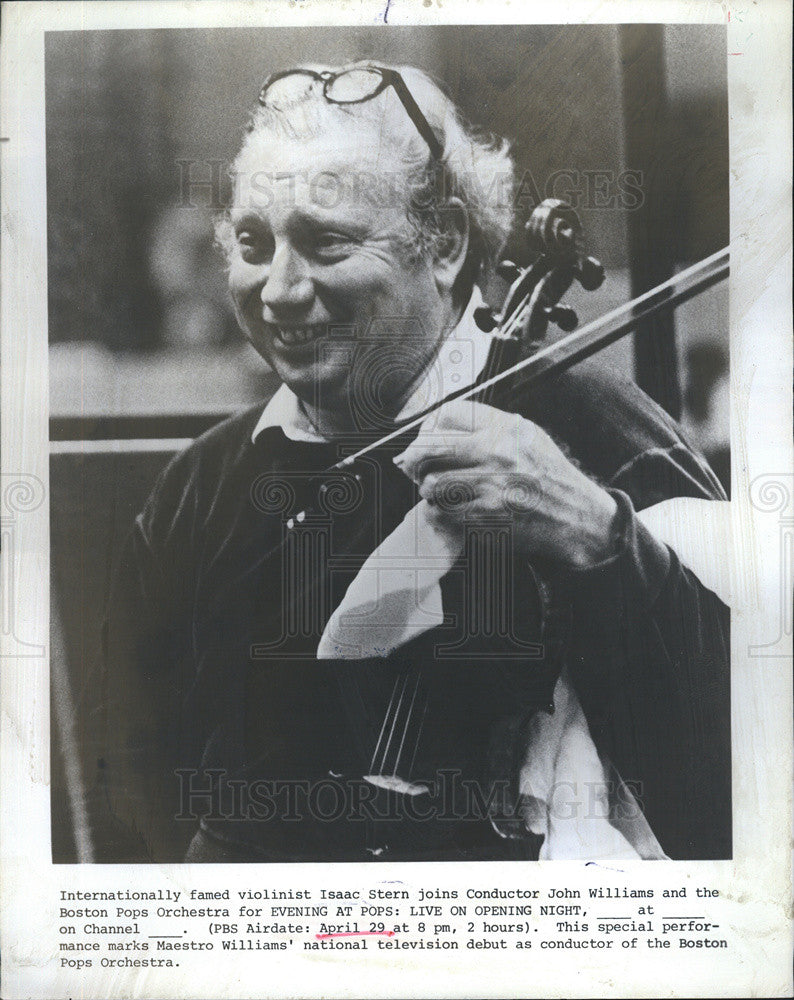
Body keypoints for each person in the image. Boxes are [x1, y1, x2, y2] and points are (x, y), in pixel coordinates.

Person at [89, 63, 730, 864]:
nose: (280, 291)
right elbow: (130, 802)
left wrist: (603, 542)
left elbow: (744, 791)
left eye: (326, 242)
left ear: (446, 245)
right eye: (254, 243)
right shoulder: (200, 488)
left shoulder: (608, 442)